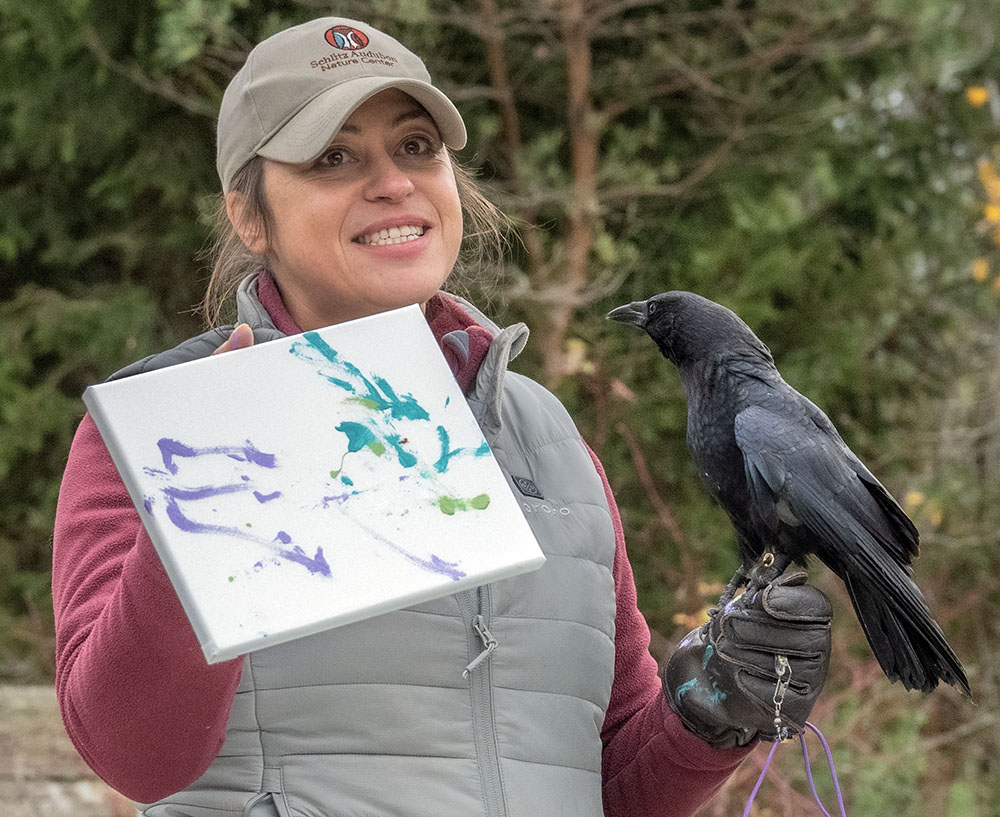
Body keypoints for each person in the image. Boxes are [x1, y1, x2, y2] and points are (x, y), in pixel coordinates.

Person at [52, 16, 833, 817]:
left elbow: (601, 783)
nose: (393, 181)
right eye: (334, 156)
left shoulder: (551, 443)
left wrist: (707, 715)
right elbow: (132, 754)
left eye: (417, 146)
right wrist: (205, 515)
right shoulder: (163, 430)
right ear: (251, 218)